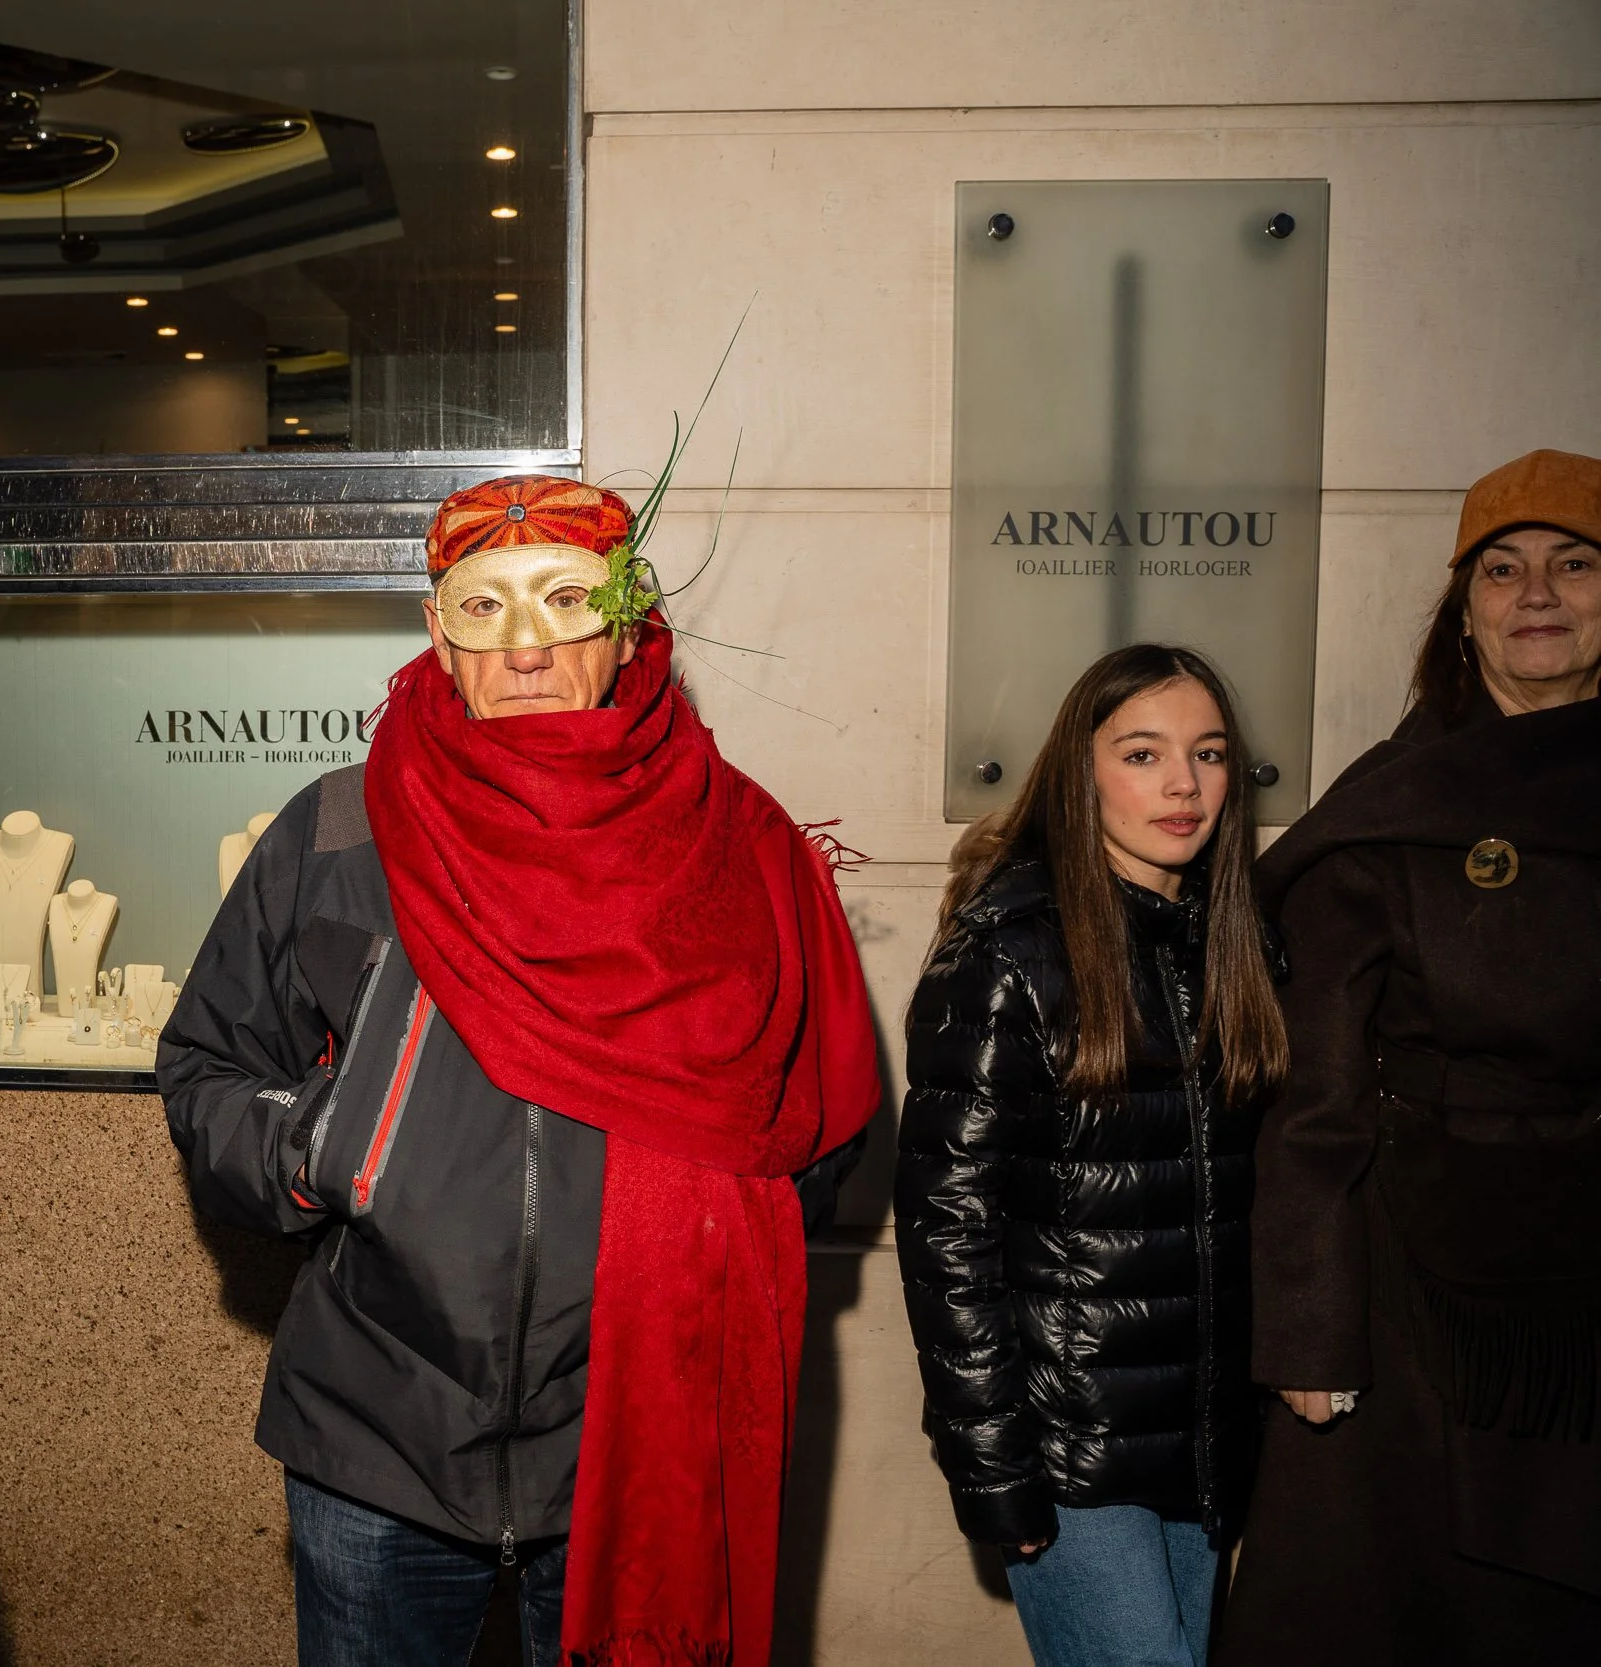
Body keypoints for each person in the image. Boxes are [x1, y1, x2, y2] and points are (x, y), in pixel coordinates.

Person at [160, 473, 880, 1666]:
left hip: (631, 1437)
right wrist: (321, 1148)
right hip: (377, 1435)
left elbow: (822, 1107)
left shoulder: (737, 841)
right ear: (437, 635)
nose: (528, 644)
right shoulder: (338, 830)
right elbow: (207, 1067)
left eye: (563, 600)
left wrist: (709, 1233)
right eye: (483, 607)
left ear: (629, 622)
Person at [1219, 449, 1601, 1663]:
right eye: (1501, 568)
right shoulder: (1395, 805)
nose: (1535, 591)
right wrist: (1307, 1334)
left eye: (1574, 562)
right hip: (1413, 1305)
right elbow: (1314, 1098)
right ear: (1464, 609)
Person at [894, 644, 1286, 1667]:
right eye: (1142, 752)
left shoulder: (1238, 944)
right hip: (1070, 1451)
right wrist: (992, 1461)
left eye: (1206, 754)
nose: (1181, 784)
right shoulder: (1005, 953)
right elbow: (949, 1235)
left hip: (1203, 1444)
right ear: (1081, 770)